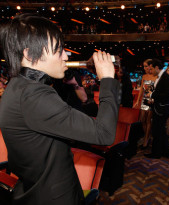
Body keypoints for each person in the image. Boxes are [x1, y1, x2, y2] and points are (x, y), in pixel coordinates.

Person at [0, 13, 119, 205]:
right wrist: (107, 80)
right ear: (29, 54)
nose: (66, 56)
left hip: (34, 190)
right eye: (59, 50)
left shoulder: (18, 86)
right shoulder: (33, 95)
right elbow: (104, 133)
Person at [144, 59, 169, 159]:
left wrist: (153, 95)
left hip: (162, 109)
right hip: (159, 107)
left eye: (151, 68)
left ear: (157, 67)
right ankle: (165, 152)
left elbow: (168, 94)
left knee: (156, 131)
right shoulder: (161, 76)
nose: (150, 71)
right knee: (160, 131)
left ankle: (156, 153)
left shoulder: (165, 77)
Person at [133, 59, 157, 149]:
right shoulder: (144, 76)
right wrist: (138, 100)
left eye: (146, 66)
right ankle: (147, 135)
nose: (145, 68)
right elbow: (141, 90)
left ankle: (146, 140)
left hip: (152, 100)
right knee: (142, 120)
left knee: (148, 120)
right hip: (144, 99)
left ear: (151, 66)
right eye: (144, 66)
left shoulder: (156, 77)